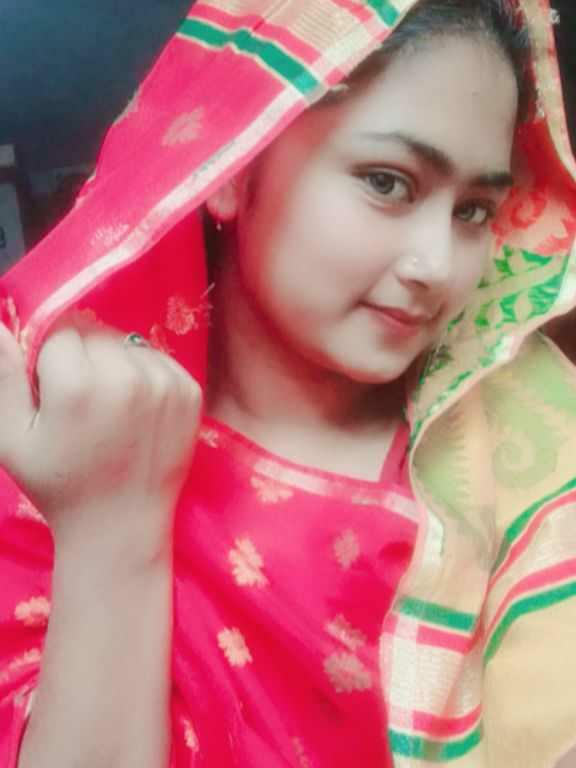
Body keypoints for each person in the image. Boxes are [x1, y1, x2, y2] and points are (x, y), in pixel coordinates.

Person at [0, 0, 575, 766]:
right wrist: (110, 533)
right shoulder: (57, 429)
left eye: (473, 211)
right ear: (232, 168)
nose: (436, 265)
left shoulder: (523, 447)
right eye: (388, 182)